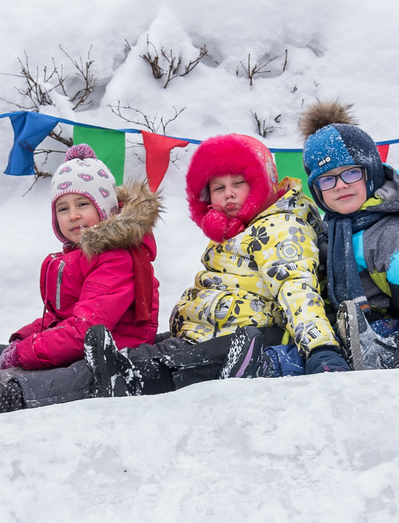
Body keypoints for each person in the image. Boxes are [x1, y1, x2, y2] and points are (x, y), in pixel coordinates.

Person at [78, 131, 344, 396]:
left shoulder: (280, 227)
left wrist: (322, 350)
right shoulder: (237, 229)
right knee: (161, 349)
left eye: (239, 184)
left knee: (183, 361)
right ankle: (120, 364)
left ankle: (133, 379)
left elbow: (297, 288)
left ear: (263, 182)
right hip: (210, 328)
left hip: (251, 334)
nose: (228, 195)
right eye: (218, 188)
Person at [0, 143, 160, 414]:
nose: (74, 215)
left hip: (113, 353)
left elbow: (84, 330)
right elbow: (60, 317)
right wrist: (21, 339)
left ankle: (7, 396)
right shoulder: (75, 257)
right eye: (63, 209)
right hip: (81, 341)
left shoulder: (116, 258)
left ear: (106, 210)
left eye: (83, 204)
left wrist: (25, 352)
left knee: (72, 373)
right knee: (2, 354)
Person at [295, 100, 399, 370]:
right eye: (327, 179)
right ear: (317, 190)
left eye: (351, 173)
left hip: (395, 333)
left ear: (371, 172)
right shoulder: (329, 234)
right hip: (343, 333)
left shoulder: (390, 233)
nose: (340, 186)